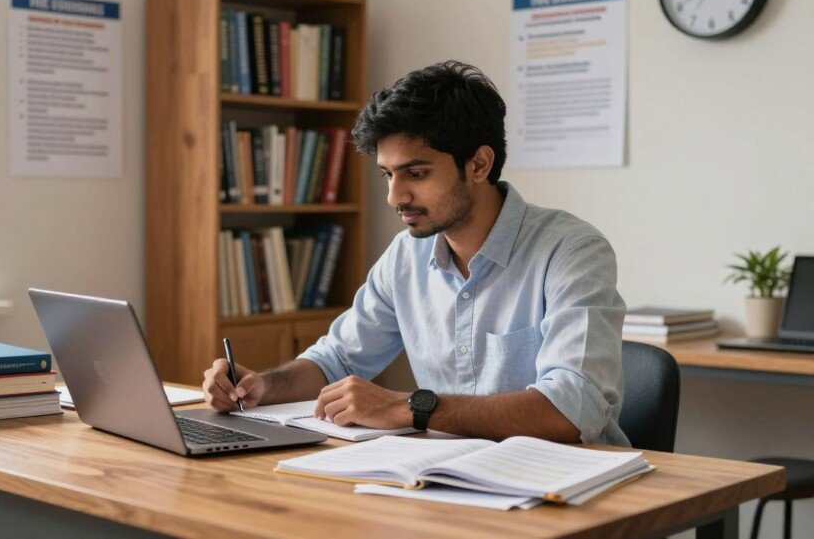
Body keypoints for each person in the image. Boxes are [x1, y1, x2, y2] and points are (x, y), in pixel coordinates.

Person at [203, 60, 629, 445]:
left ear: (479, 165)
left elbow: (574, 409)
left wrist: (411, 407)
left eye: (417, 173)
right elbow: (337, 358)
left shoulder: (571, 251)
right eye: (388, 174)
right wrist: (261, 386)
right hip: (450, 481)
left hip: (567, 492)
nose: (394, 196)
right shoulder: (406, 256)